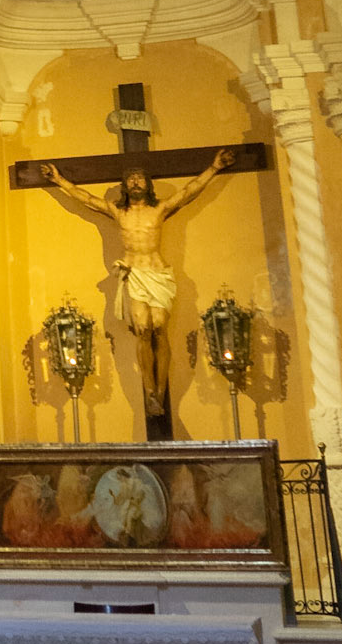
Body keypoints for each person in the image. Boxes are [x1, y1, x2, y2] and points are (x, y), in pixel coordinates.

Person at [41, 149, 235, 438]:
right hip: (134, 276)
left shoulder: (160, 209)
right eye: (130, 179)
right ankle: (150, 391)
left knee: (160, 328)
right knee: (143, 330)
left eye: (139, 178)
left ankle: (160, 387)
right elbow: (86, 198)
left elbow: (190, 191)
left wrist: (215, 167)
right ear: (124, 185)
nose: (135, 182)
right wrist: (58, 180)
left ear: (148, 184)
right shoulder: (118, 212)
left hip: (158, 274)